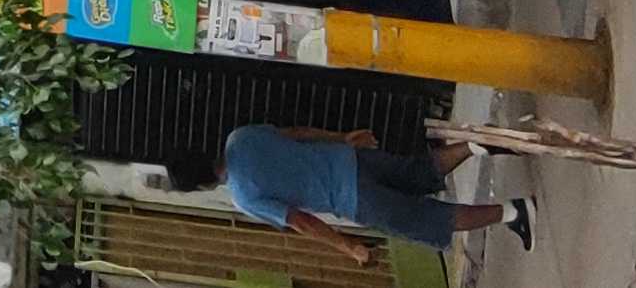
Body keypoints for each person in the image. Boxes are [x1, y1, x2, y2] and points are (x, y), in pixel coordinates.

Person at [163, 124, 534, 265]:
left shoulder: (244, 196)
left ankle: (514, 212)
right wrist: (341, 138)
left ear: (201, 185)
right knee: (420, 171)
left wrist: (348, 247)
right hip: (352, 159)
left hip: (353, 198)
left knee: (431, 220)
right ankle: (473, 145)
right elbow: (296, 133)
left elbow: (303, 222)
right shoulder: (240, 137)